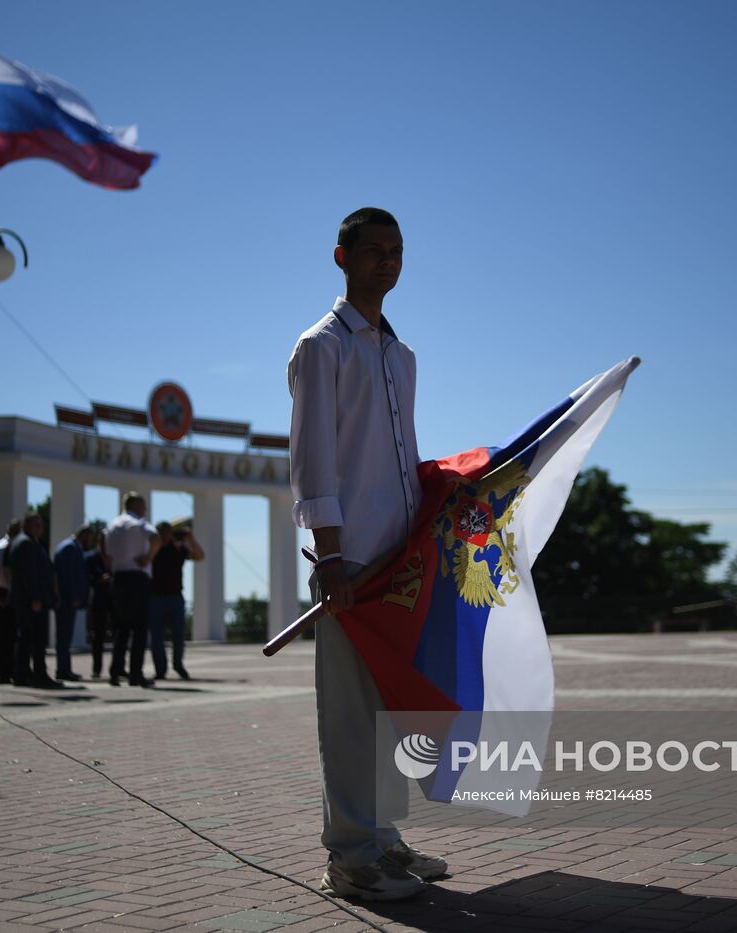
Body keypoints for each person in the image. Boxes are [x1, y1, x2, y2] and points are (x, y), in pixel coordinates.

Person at [287, 207, 446, 900]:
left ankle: (383, 839)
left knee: (388, 705)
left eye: (397, 251)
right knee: (351, 712)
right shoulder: (322, 347)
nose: (387, 261)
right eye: (374, 250)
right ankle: (350, 856)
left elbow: (403, 455)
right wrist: (328, 556)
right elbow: (312, 457)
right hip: (349, 561)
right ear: (340, 257)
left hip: (399, 559)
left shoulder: (399, 354)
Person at [104, 492, 161, 687]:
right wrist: (148, 558)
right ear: (136, 505)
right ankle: (135, 673)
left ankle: (115, 671)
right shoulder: (138, 522)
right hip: (137, 578)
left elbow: (106, 552)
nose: (145, 509)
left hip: (119, 578)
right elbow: (156, 538)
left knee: (121, 627)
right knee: (139, 628)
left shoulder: (112, 525)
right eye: (143, 505)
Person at [149, 521, 205, 680]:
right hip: (156, 596)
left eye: (168, 532)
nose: (165, 535)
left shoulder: (178, 548)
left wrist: (191, 539)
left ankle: (178, 665)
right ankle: (160, 669)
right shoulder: (153, 547)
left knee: (179, 634)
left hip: (175, 596)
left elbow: (200, 556)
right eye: (162, 532)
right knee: (156, 636)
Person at [9, 512, 59, 688]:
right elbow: (30, 574)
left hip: (31, 600)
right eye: (36, 525)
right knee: (34, 639)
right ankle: (36, 675)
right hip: (32, 601)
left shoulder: (27, 542)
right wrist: (35, 598)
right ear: (26, 525)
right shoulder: (26, 544)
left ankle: (24, 674)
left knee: (28, 638)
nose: (40, 529)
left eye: (41, 525)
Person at [52, 524, 93, 682]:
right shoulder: (70, 548)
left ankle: (64, 669)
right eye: (90, 538)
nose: (91, 542)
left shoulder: (71, 547)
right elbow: (67, 576)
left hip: (67, 600)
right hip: (66, 601)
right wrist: (74, 596)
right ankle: (62, 670)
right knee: (64, 637)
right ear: (84, 535)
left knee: (65, 637)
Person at [0, 519, 22, 685]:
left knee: (11, 635)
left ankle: (10, 670)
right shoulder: (3, 548)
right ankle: (3, 672)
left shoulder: (10, 546)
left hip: (8, 594)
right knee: (6, 636)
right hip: (4, 593)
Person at [83, 528, 112, 680]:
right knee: (98, 636)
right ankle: (97, 668)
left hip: (115, 599)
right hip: (98, 600)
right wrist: (100, 579)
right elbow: (86, 577)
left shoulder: (116, 556)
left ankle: (118, 668)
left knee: (121, 632)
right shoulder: (90, 557)